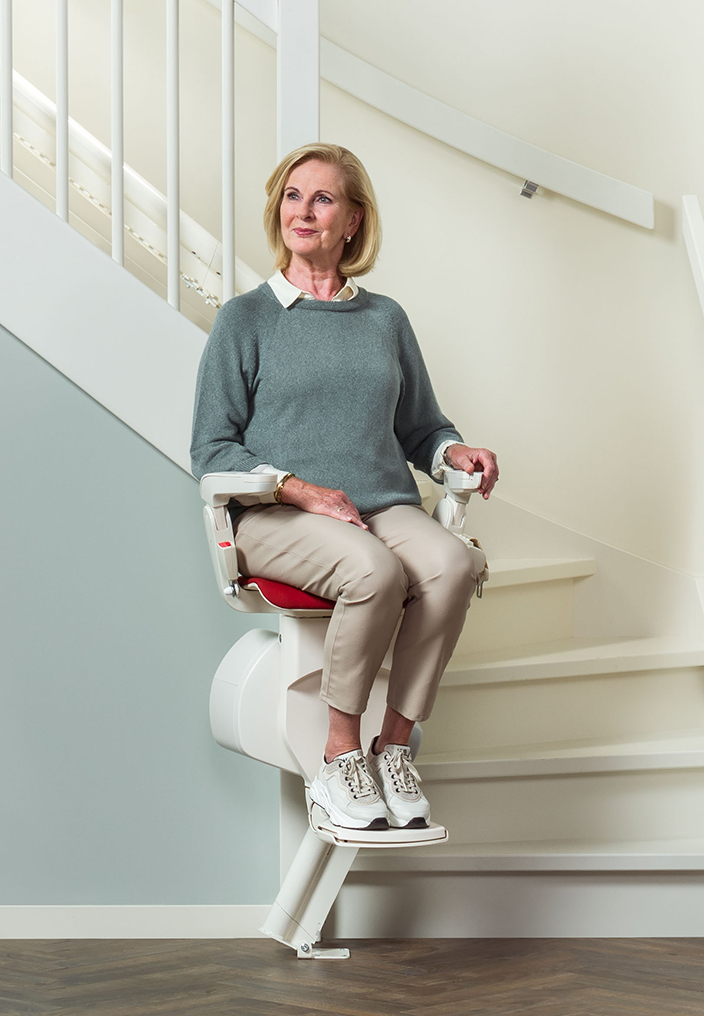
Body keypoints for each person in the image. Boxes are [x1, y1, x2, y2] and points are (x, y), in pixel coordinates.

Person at [191, 143, 498, 832]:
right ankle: (339, 756)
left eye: (323, 198)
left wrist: (453, 451)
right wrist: (301, 489)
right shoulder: (246, 318)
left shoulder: (385, 318)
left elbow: (421, 427)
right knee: (374, 571)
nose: (303, 211)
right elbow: (211, 449)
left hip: (380, 504)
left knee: (453, 563)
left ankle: (394, 748)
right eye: (293, 196)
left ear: (353, 220)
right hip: (276, 516)